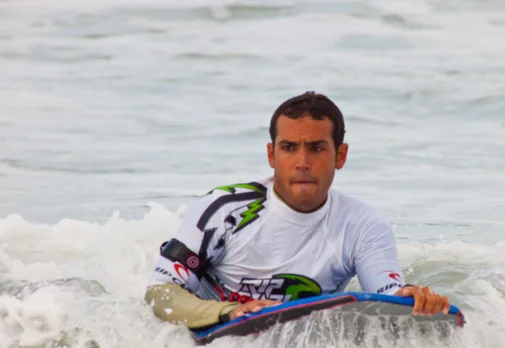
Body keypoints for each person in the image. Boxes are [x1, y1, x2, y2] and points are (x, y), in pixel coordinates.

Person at [145, 91, 450, 329]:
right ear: (271, 154)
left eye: (317, 148)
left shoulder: (362, 224)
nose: (302, 162)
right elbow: (160, 293)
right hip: (212, 333)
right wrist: (228, 312)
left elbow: (386, 295)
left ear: (340, 155)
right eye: (289, 148)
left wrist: (412, 297)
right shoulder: (223, 210)